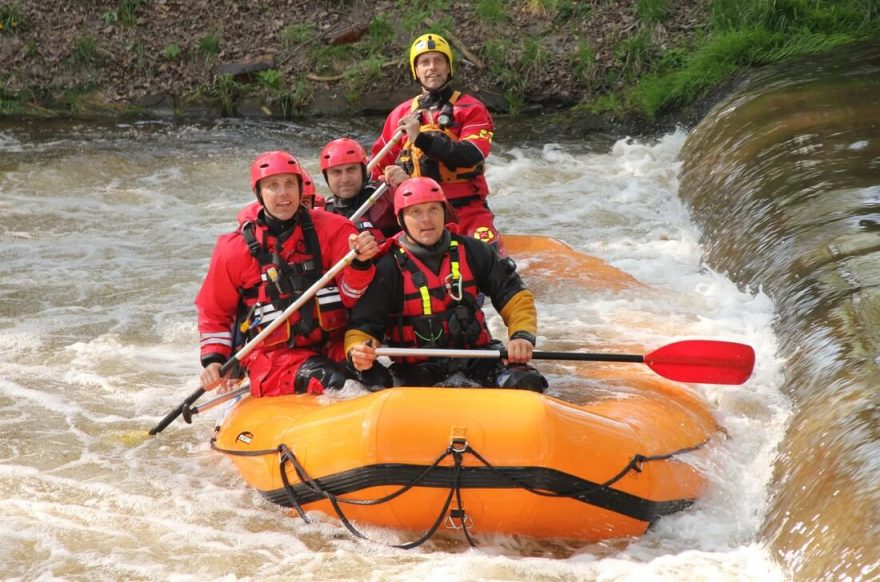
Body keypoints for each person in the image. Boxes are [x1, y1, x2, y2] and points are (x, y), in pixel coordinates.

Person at [197, 150, 380, 397]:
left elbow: (351, 296)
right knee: (339, 383)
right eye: (273, 186)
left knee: (379, 379)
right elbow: (215, 312)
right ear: (259, 194)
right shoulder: (233, 249)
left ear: (299, 189)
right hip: (274, 357)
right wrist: (214, 360)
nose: (283, 193)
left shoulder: (335, 230)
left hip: (332, 344)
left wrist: (361, 263)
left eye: (289, 184)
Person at [345, 177, 546, 392]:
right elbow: (363, 326)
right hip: (417, 369)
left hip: (478, 358)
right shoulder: (387, 267)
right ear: (401, 219)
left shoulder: (475, 251)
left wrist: (521, 336)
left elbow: (514, 295)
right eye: (416, 212)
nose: (426, 220)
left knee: (525, 382)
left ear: (444, 212)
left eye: (433, 209)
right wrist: (358, 350)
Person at [369, 33, 505, 254]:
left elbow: (471, 154)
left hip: (467, 208)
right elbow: (376, 168)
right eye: (424, 62)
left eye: (438, 60)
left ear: (448, 67)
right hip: (420, 212)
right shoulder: (400, 114)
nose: (432, 67)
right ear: (416, 70)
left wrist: (421, 138)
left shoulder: (471, 108)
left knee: (493, 260)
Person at [319, 137, 398, 241]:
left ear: (363, 171)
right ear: (326, 177)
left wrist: (405, 184)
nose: (345, 179)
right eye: (336, 172)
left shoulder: (388, 193)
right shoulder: (324, 215)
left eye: (351, 169)